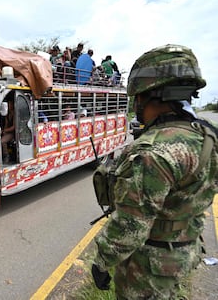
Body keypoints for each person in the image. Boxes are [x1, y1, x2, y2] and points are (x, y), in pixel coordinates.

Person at [91, 44, 218, 299]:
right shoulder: (208, 136)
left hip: (148, 269)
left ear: (148, 95)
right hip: (184, 252)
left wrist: (102, 262)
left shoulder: (152, 153)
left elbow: (131, 226)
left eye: (137, 97)